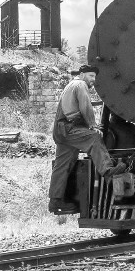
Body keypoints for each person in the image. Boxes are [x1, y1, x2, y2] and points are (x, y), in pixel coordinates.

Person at [48, 65, 126, 214]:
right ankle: (108, 171)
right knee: (94, 138)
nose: (93, 80)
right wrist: (92, 125)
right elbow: (85, 106)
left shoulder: (71, 85)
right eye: (91, 76)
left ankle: (55, 201)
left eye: (95, 77)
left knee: (62, 166)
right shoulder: (80, 84)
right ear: (82, 74)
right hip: (69, 128)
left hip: (61, 130)